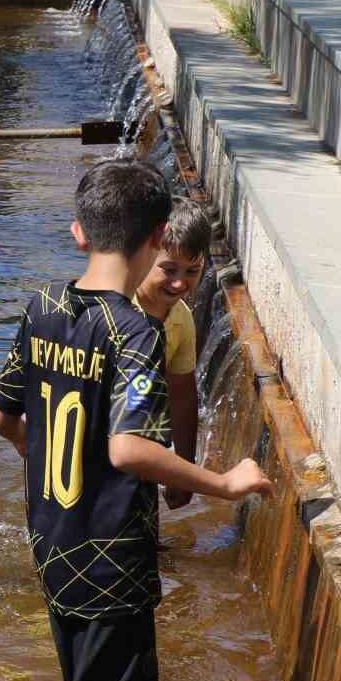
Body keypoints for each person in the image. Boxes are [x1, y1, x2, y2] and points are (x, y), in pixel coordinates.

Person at [0, 159, 272, 681]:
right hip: (110, 566)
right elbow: (128, 450)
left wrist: (47, 452)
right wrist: (223, 484)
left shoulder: (41, 307)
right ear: (160, 234)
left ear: (79, 232)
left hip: (53, 548)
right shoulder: (136, 333)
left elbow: (0, 414)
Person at [132, 197, 212, 510]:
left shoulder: (180, 319)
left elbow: (183, 395)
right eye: (168, 269)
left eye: (193, 271)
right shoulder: (117, 310)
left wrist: (185, 469)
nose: (180, 283)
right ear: (142, 255)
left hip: (144, 441)